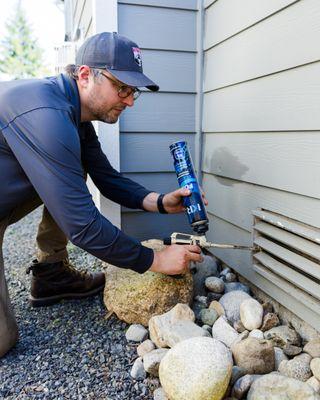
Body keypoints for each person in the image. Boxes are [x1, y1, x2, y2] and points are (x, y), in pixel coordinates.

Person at [0, 32, 206, 358]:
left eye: (133, 91)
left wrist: (162, 203)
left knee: (71, 172)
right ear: (85, 75)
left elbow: (107, 179)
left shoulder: (74, 117)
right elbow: (82, 226)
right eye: (122, 88)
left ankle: (51, 275)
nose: (130, 100)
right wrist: (155, 259)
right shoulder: (45, 116)